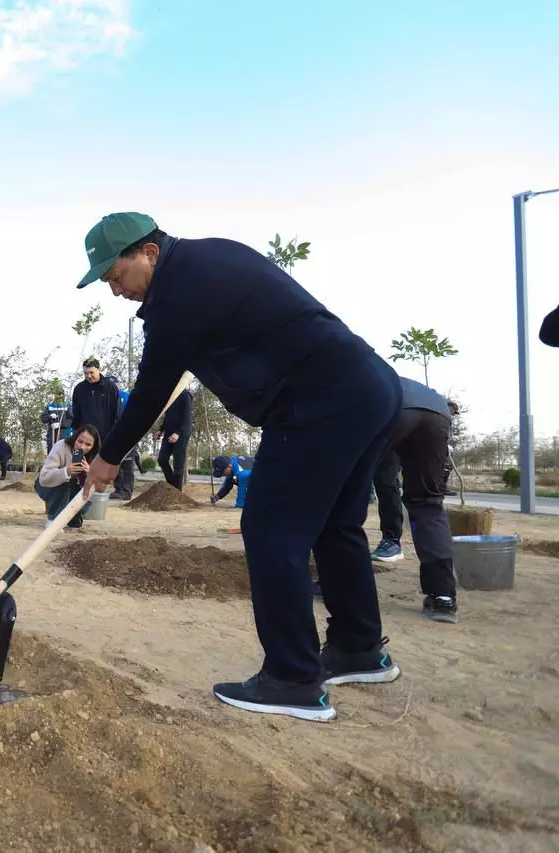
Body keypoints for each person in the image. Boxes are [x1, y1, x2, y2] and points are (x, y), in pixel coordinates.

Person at [76, 211, 402, 723]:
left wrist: (108, 458)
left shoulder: (182, 287)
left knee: (272, 530)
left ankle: (293, 679)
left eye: (116, 276)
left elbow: (152, 387)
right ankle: (358, 648)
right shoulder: (206, 262)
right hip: (370, 388)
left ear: (149, 253)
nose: (116, 291)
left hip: (321, 400)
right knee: (336, 525)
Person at [370, 378, 459, 624]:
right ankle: (443, 597)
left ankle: (332, 582)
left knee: (347, 493)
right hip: (436, 412)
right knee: (427, 502)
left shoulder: (333, 383)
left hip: (387, 409)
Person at [36, 425, 100, 529]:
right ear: (75, 438)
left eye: (88, 444)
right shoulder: (61, 446)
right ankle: (53, 519)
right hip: (47, 486)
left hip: (72, 488)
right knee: (65, 480)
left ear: (94, 446)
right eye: (80, 441)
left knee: (75, 523)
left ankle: (67, 515)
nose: (82, 447)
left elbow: (100, 487)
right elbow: (44, 477)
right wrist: (66, 471)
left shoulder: (95, 458)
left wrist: (90, 473)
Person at [156, 387, 194, 490]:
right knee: (162, 459)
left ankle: (177, 491)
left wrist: (178, 433)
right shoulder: (170, 396)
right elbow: (167, 416)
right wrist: (161, 429)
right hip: (168, 433)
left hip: (181, 434)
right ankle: (173, 485)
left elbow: (186, 418)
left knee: (178, 464)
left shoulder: (185, 395)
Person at [109, 388, 143, 501]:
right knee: (115, 463)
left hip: (128, 432)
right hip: (113, 434)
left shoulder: (126, 396)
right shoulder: (107, 396)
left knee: (127, 464)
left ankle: (126, 491)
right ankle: (118, 489)